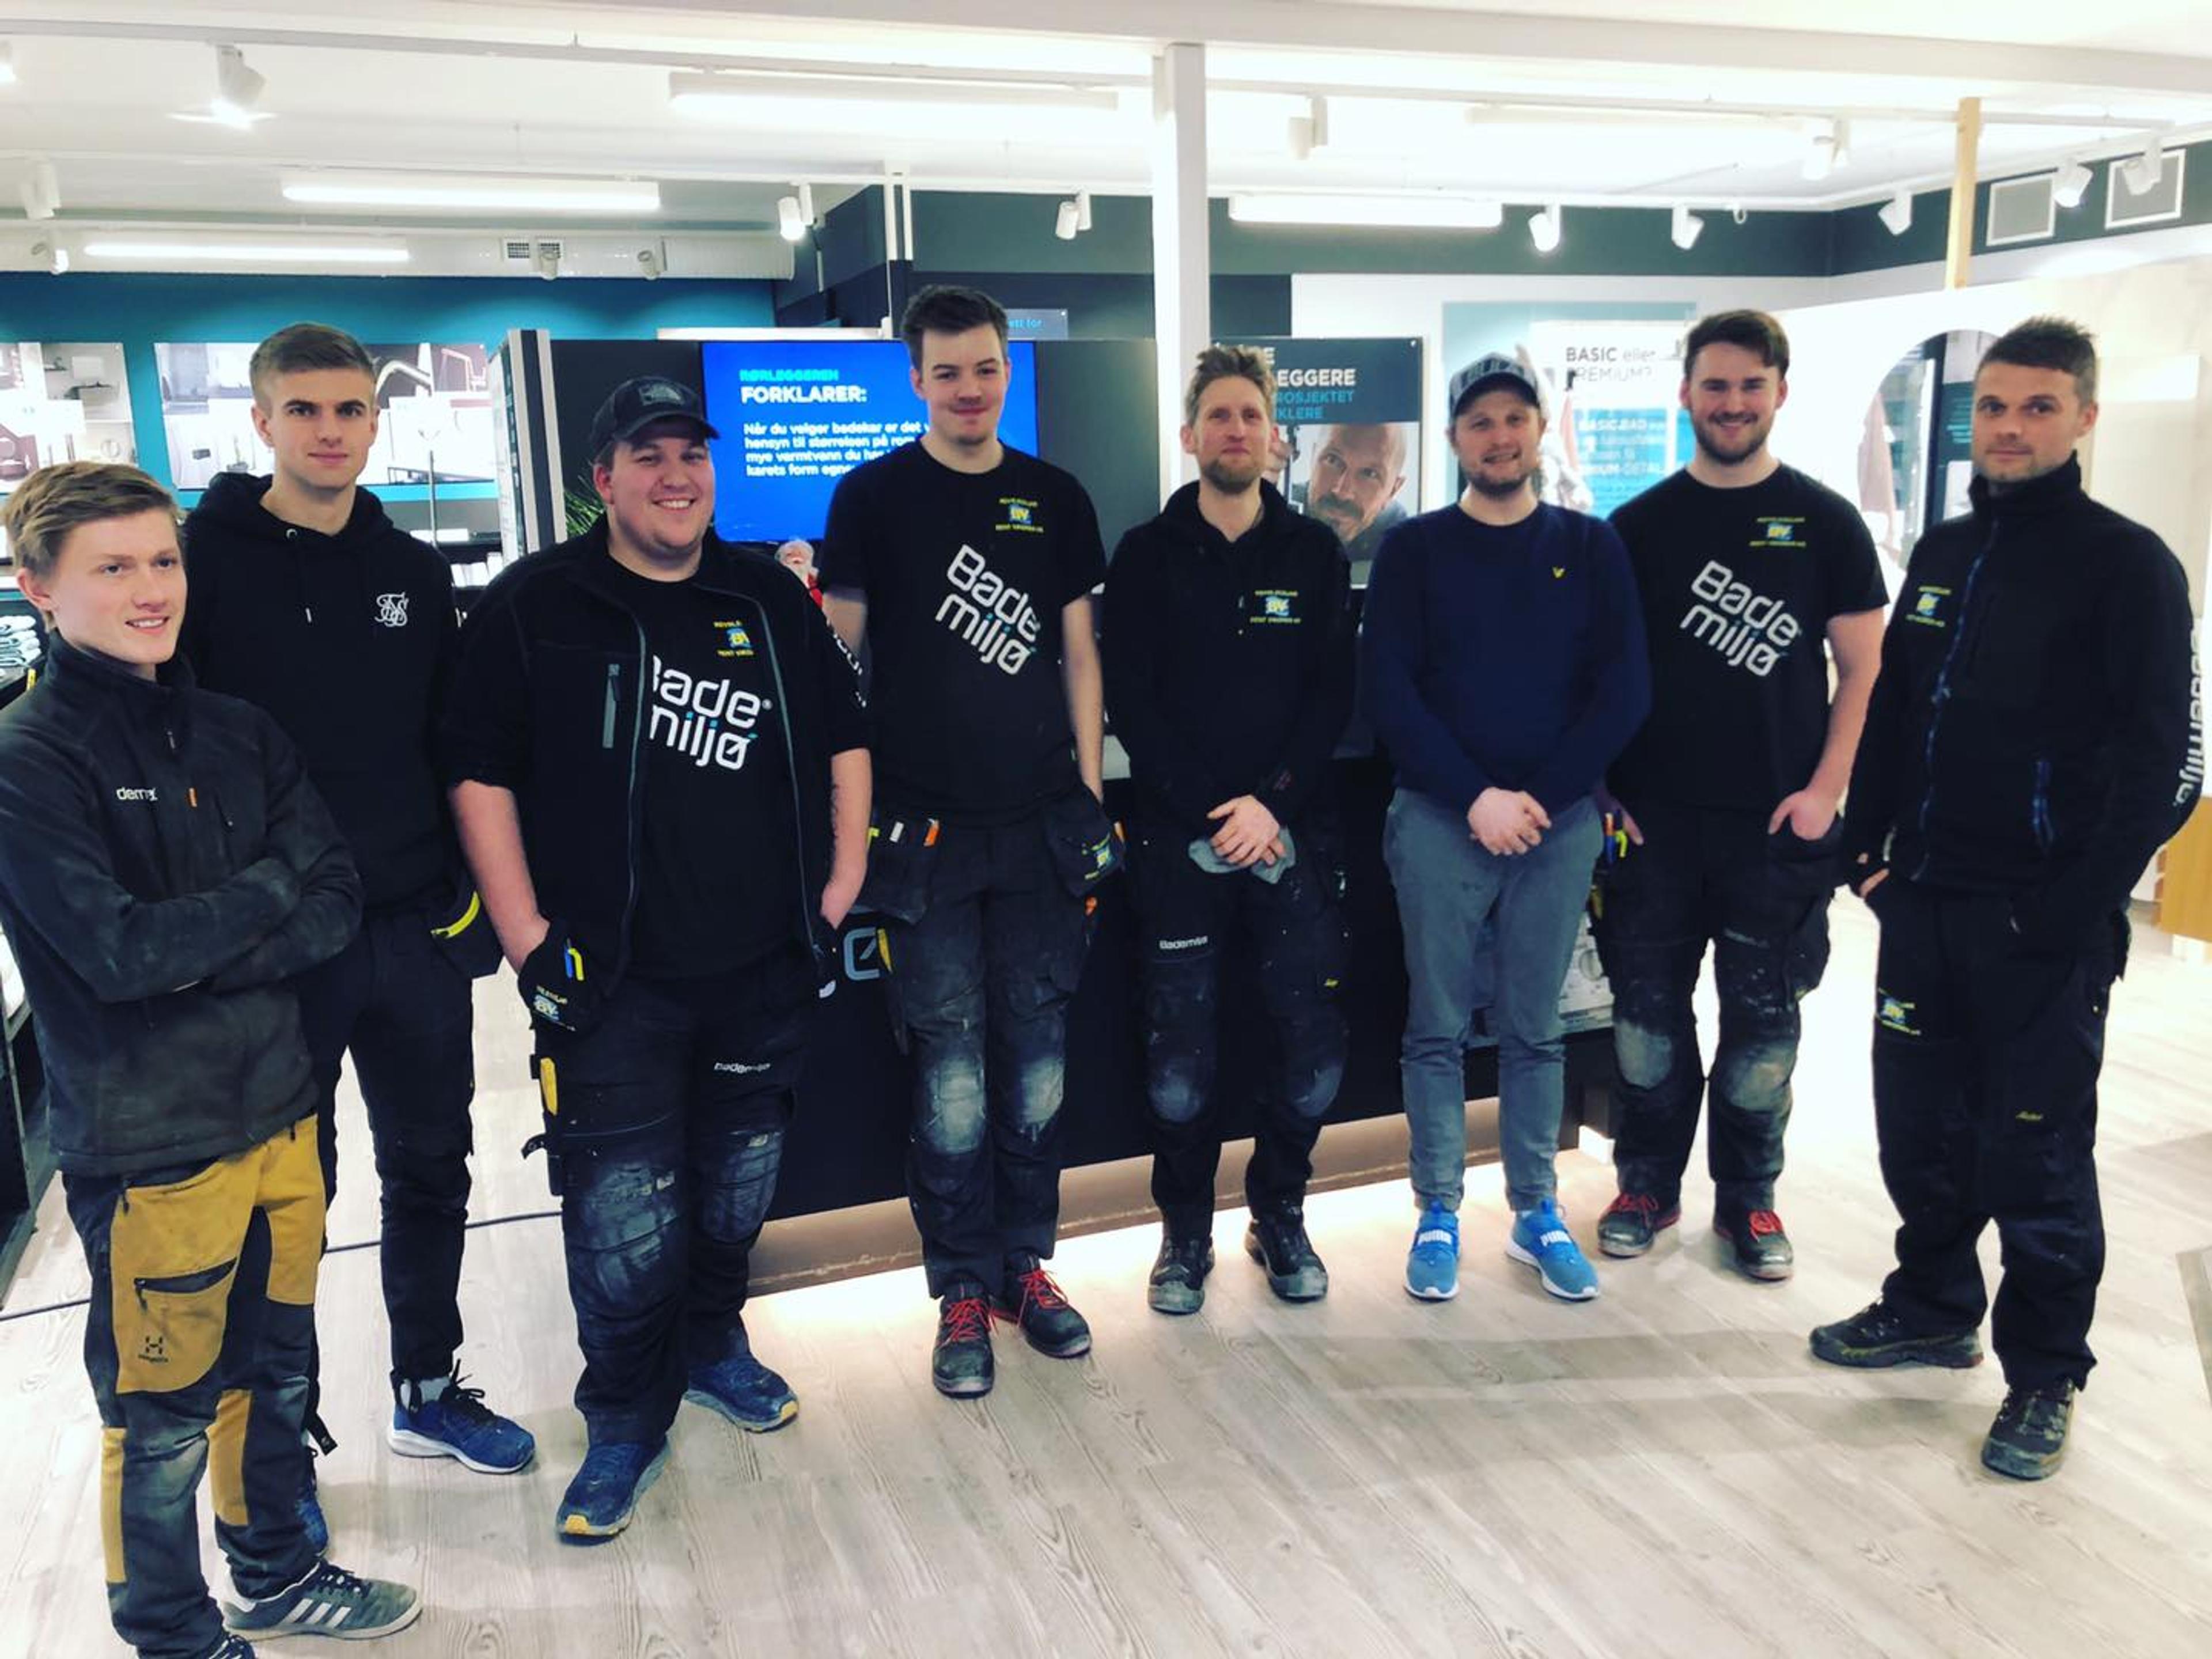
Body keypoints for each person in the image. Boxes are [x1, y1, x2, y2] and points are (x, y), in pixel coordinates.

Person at [0, 461, 418, 1657]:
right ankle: (172, 1634)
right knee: (160, 1415)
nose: (151, 590)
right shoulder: (27, 757)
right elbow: (120, 954)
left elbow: (336, 897)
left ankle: (275, 1575)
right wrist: (265, 901)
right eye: (113, 567)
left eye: (163, 560)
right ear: (39, 587)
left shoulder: (239, 730)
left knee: (274, 1374)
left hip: (283, 1114)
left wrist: (213, 938)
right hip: (153, 1146)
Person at [442, 376, 869, 1539]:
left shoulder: (766, 597)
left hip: (762, 965)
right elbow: (477, 773)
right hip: (610, 979)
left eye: (692, 453)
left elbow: (845, 735)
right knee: (622, 1224)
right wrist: (527, 938)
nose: (677, 476)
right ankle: (626, 1418)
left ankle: (716, 1347)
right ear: (604, 477)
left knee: (736, 1193)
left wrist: (839, 883)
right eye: (649, 455)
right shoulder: (537, 604)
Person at [1812, 317, 2203, 1480]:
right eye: (1992, 407)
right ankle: (1933, 1306)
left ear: (2085, 417)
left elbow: (2167, 765)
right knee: (1919, 1132)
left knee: (2035, 1155)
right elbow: (1894, 711)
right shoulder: (1944, 553)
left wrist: (2071, 909)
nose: (2011, 428)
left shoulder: (2129, 566)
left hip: (2041, 926)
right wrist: (1865, 856)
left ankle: (2045, 1377)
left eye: (2038, 407)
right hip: (1923, 902)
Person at [179, 323, 531, 1540]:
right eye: (305, 410)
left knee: (432, 1166)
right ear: (262, 422)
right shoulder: (199, 566)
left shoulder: (413, 571)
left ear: (377, 423)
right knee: (291, 1200)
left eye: (349, 410)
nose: (330, 431)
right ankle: (284, 1441)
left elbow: (451, 743)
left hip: (411, 929)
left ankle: (427, 1388)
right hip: (276, 949)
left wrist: (468, 905)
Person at [820, 285, 1112, 1399]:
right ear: (917, 381)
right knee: (949, 1080)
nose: (969, 388)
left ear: (1006, 370)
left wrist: (1089, 796)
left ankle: (1025, 1270)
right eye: (947, 371)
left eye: (986, 367)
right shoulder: (872, 497)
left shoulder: (1056, 497)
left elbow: (1079, 655)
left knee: (1036, 1071)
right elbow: (842, 661)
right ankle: (960, 1289)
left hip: (1040, 832)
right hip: (923, 838)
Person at [1593, 310, 1886, 1281]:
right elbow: (1594, 673)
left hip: (1777, 830)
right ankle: (1645, 1185)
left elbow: (1866, 670)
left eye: (1750, 385)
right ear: (1686, 394)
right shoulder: (1636, 528)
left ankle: (1749, 1200)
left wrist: (1827, 794)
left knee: (1763, 1037)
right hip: (1652, 828)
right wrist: (1602, 787)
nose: (1731, 403)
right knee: (1645, 1031)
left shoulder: (1827, 523)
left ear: (1779, 393)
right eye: (1714, 386)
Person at [1360, 353, 1650, 1305]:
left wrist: (1543, 800)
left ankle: (1537, 1213)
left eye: (1514, 420)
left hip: (1557, 829)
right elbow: (1389, 692)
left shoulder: (1591, 546)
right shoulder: (1414, 549)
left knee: (1536, 1031)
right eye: (1480, 422)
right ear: (1455, 439)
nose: (1499, 436)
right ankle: (1439, 1211)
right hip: (1438, 822)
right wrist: (1475, 798)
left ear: (1537, 431)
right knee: (1436, 1030)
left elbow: (1623, 692)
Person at [1102, 345, 1355, 1313]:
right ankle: (1184, 1233)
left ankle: (1279, 1214)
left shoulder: (1315, 553)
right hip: (1177, 845)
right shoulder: (1144, 554)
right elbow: (1133, 701)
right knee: (1178, 1063)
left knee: (1310, 1053)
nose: (1236, 430)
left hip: (1292, 839)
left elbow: (1332, 699)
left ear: (1275, 436)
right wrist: (1219, 808)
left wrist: (1271, 806)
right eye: (1219, 415)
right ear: (1189, 434)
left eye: (1251, 414)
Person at [1300, 422, 1409, 561]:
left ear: (1393, 491)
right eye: (1333, 460)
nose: (1342, 493)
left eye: (1370, 473)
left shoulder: (1397, 531)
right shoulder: (1279, 509)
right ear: (1313, 457)